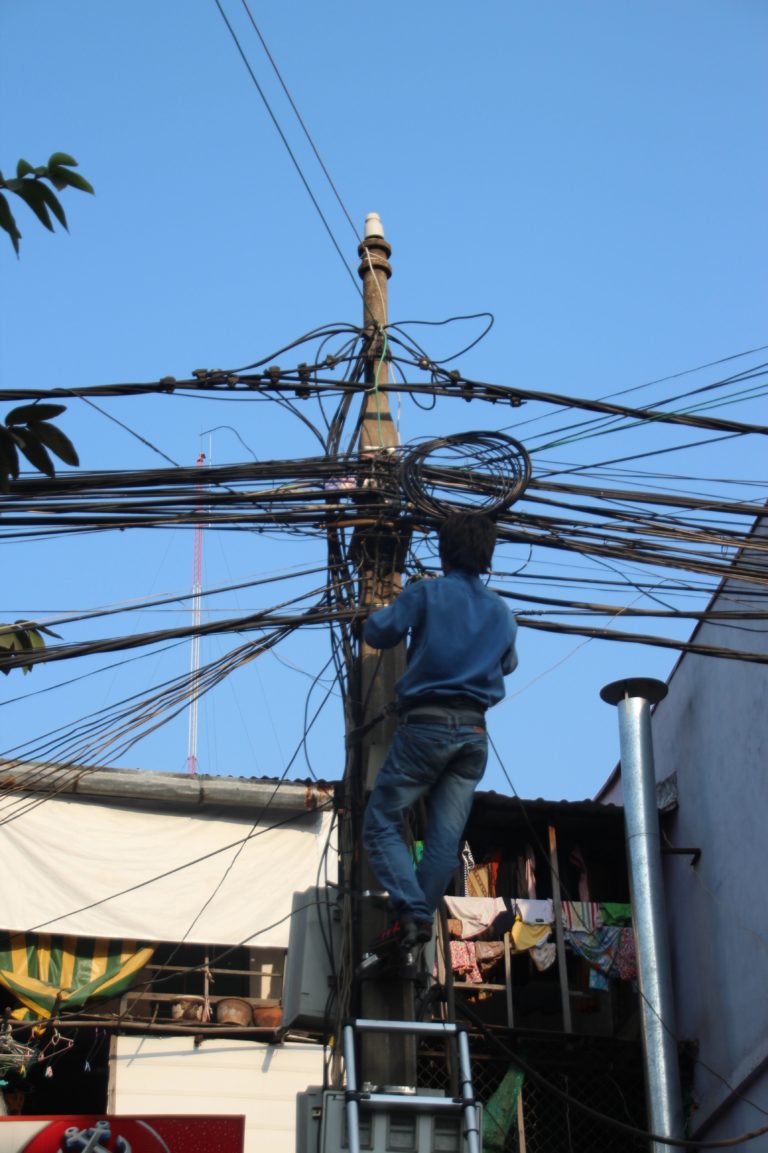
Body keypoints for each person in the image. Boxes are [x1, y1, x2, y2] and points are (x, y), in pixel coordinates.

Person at [362, 512, 518, 952]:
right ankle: (415, 928)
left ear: (444, 552)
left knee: (380, 822)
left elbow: (379, 630)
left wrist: (398, 601)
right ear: (486, 558)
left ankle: (411, 914)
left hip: (425, 727)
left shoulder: (426, 593)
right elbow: (508, 664)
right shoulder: (502, 613)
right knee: (443, 843)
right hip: (473, 734)